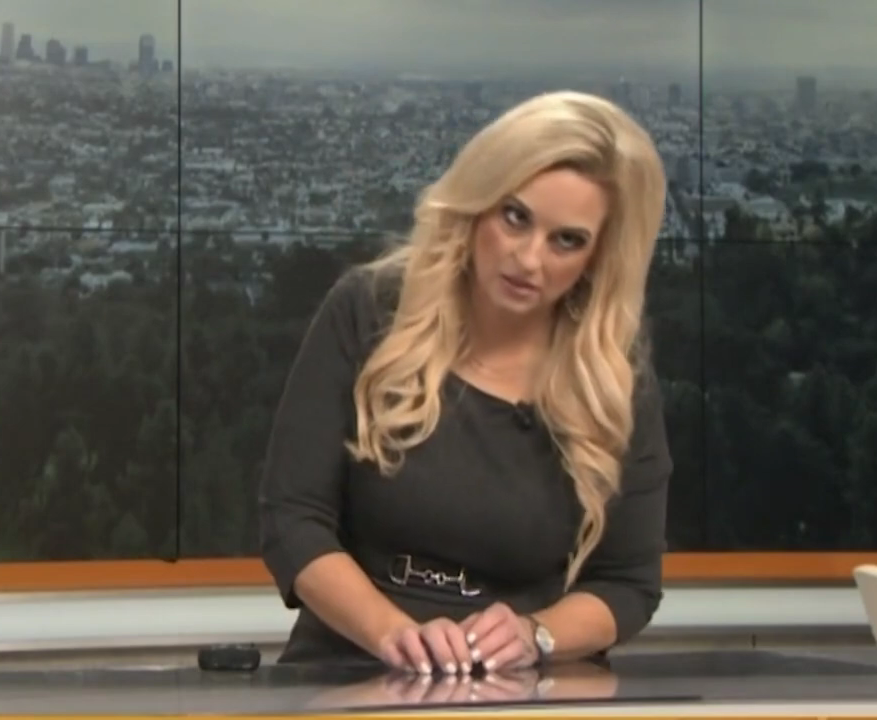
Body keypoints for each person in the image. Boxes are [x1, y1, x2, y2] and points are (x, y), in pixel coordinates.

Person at [258, 90, 673, 676]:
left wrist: (536, 635)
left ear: (597, 258)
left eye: (567, 240)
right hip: (346, 674)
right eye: (515, 217)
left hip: (527, 694)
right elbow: (293, 519)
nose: (529, 260)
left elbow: (628, 583)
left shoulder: (609, 377)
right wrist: (397, 636)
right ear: (477, 204)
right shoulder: (368, 311)